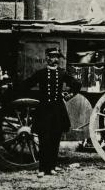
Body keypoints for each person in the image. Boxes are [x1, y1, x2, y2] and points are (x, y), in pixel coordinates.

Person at [19, 47, 81, 178]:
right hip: (43, 111)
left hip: (58, 111)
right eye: (53, 57)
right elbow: (28, 84)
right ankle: (42, 168)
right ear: (47, 58)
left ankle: (52, 167)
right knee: (43, 140)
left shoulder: (62, 73)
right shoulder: (41, 73)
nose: (55, 59)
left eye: (57, 57)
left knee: (55, 139)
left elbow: (76, 84)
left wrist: (69, 95)